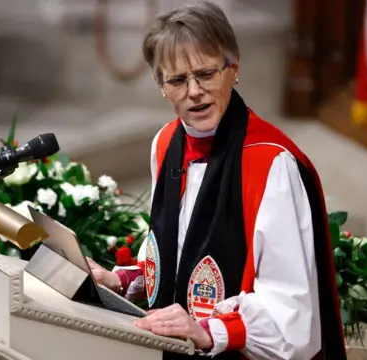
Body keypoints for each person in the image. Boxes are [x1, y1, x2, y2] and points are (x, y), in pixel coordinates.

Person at [87, 2, 347, 359]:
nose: (194, 91)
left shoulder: (271, 164)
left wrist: (207, 331)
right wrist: (124, 280)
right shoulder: (165, 143)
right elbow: (176, 252)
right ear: (160, 84)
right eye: (177, 80)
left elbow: (292, 318)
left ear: (233, 69)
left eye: (206, 74)